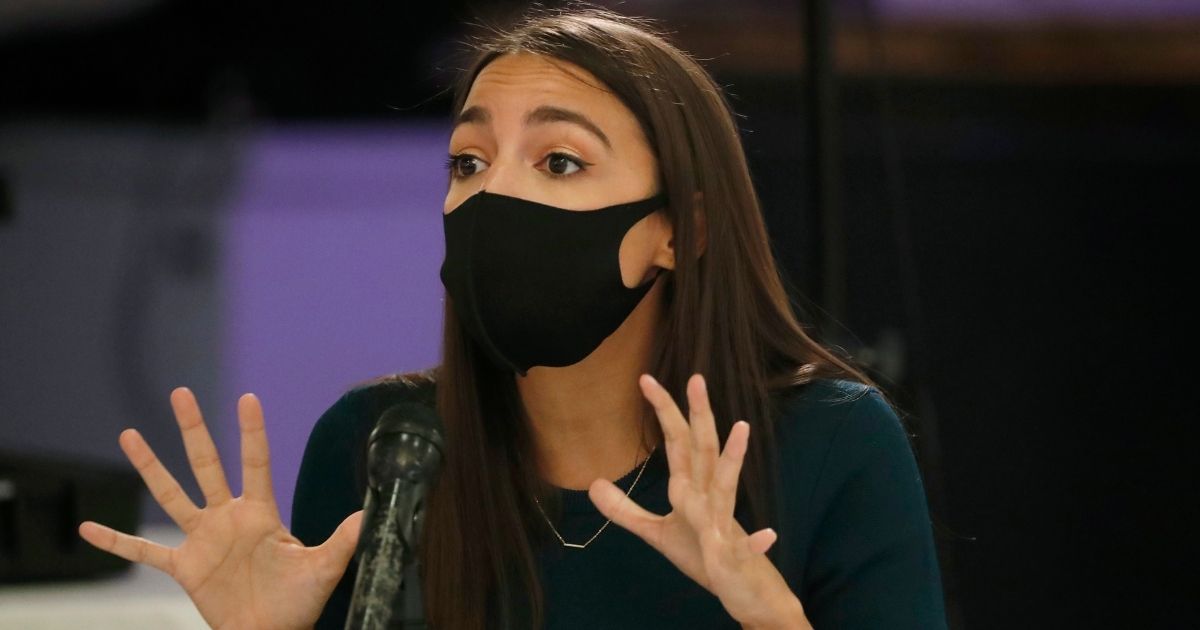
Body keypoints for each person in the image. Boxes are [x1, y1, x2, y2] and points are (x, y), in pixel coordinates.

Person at [79, 6, 948, 630]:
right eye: (468, 161)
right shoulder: (382, 449)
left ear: (679, 231)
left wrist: (766, 615)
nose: (493, 194)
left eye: (559, 161)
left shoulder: (830, 445)